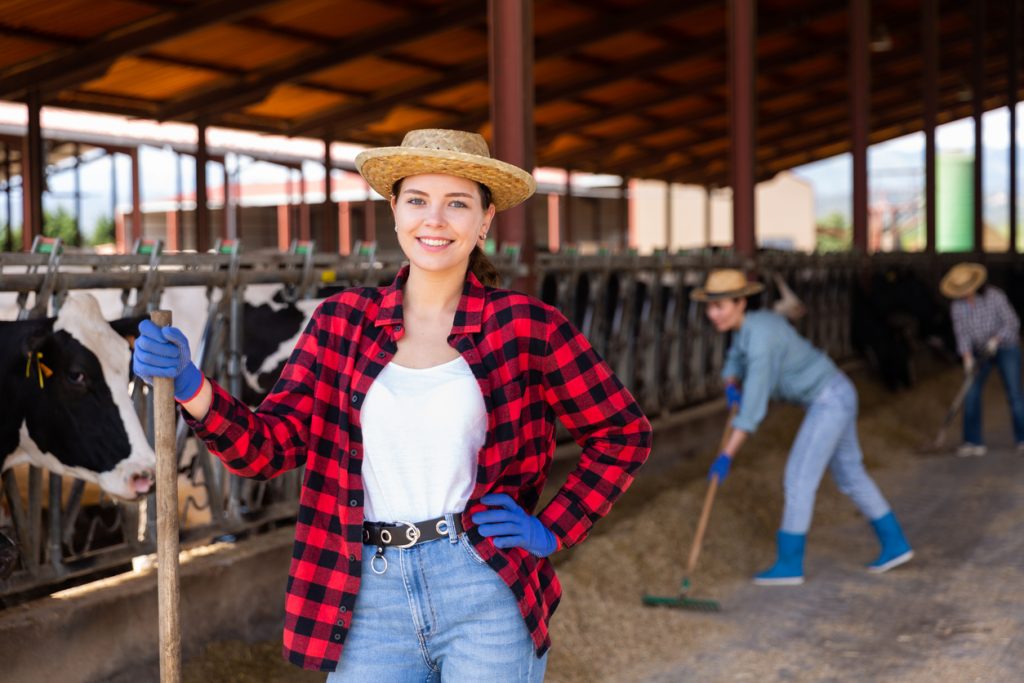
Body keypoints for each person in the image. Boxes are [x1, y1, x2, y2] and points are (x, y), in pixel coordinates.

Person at [132, 128, 652, 680]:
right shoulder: (342, 322)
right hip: (364, 591)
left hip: (481, 581)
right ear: (395, 212)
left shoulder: (526, 327)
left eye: (457, 203)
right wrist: (192, 386)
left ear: (485, 222)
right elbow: (269, 450)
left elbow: (623, 434)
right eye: (417, 201)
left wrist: (551, 528)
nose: (435, 220)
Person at [693, 268, 912, 585]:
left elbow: (753, 407)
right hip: (839, 391)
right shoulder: (753, 326)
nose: (712, 314)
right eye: (709, 306)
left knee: (798, 477)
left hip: (828, 401)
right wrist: (729, 381)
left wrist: (727, 454)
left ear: (740, 302)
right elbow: (735, 357)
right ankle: (895, 543)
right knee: (850, 473)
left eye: (720, 306)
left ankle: (789, 563)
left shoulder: (761, 342)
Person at [940, 262, 1024, 457]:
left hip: (1005, 347)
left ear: (975, 285)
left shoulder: (995, 296)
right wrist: (967, 358)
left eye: (966, 289)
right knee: (971, 391)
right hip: (979, 351)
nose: (964, 293)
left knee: (1013, 392)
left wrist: (996, 339)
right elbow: (962, 334)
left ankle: (1022, 438)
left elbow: (1012, 322)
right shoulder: (957, 307)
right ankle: (973, 441)